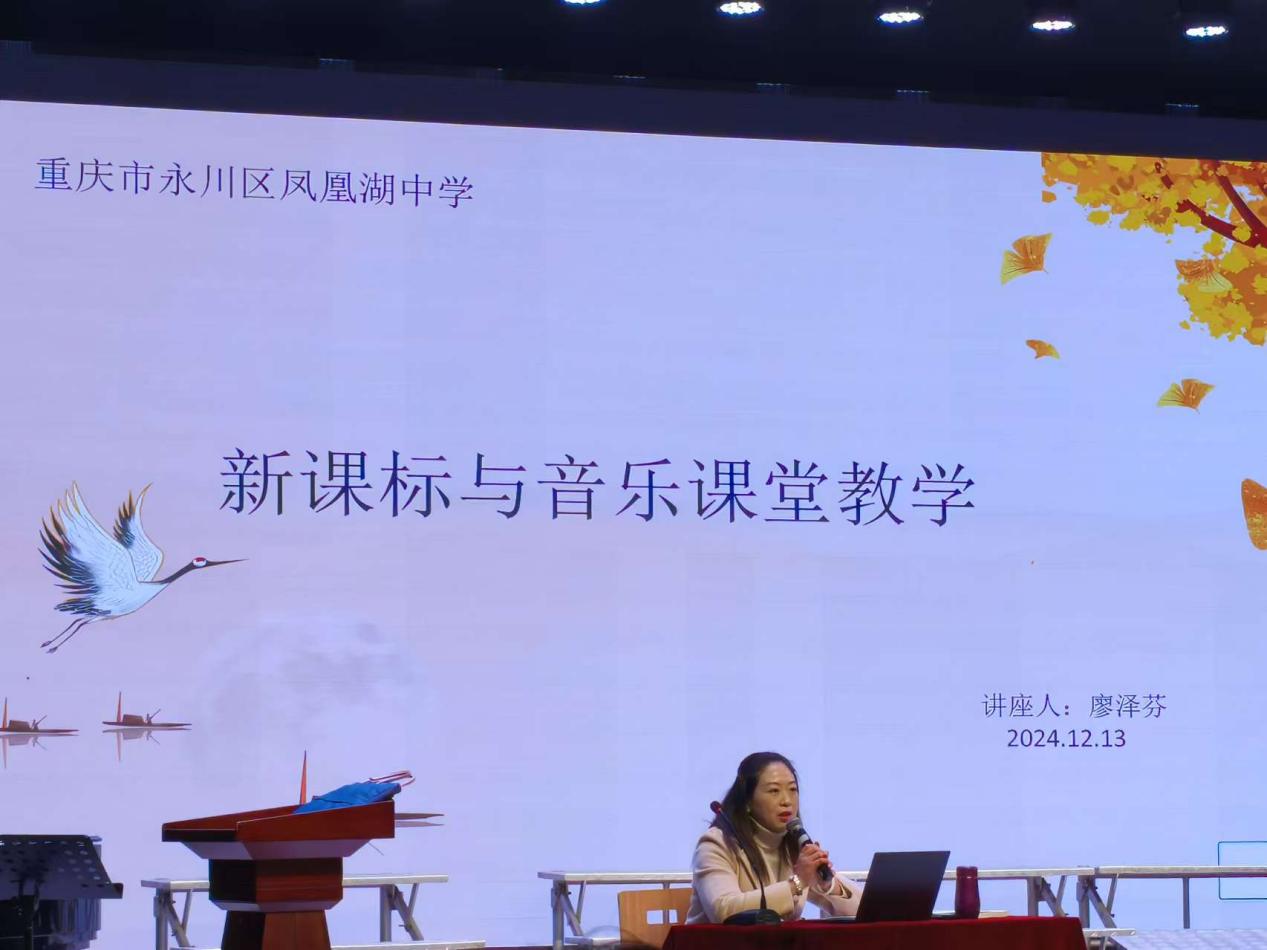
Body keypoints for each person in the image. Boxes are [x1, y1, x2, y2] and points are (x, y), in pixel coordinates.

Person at [687, 751, 863, 923]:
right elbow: (724, 911)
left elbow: (865, 911)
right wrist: (798, 882)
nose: (787, 801)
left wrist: (828, 884)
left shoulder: (794, 845)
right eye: (774, 791)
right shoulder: (716, 843)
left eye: (793, 789)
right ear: (747, 801)